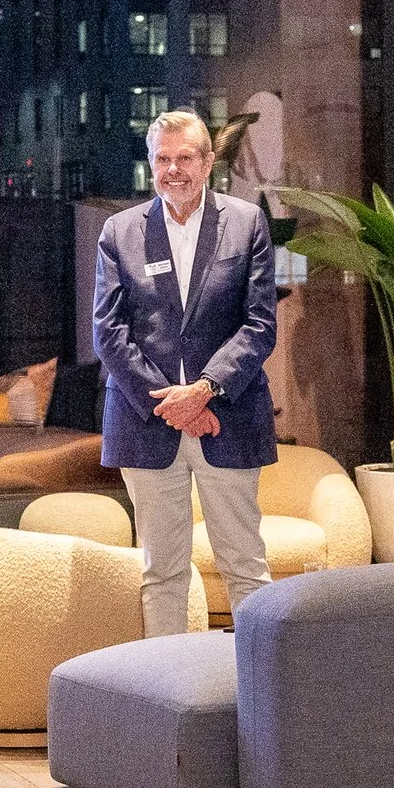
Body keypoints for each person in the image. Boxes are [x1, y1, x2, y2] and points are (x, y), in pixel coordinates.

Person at [93, 109, 278, 639]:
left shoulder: (247, 223)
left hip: (228, 416)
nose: (174, 170)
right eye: (163, 159)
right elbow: (108, 334)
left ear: (208, 162)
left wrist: (203, 392)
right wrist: (173, 406)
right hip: (146, 423)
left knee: (246, 568)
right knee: (161, 572)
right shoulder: (119, 232)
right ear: (151, 164)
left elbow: (260, 325)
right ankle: (167, 695)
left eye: (185, 158)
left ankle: (259, 691)